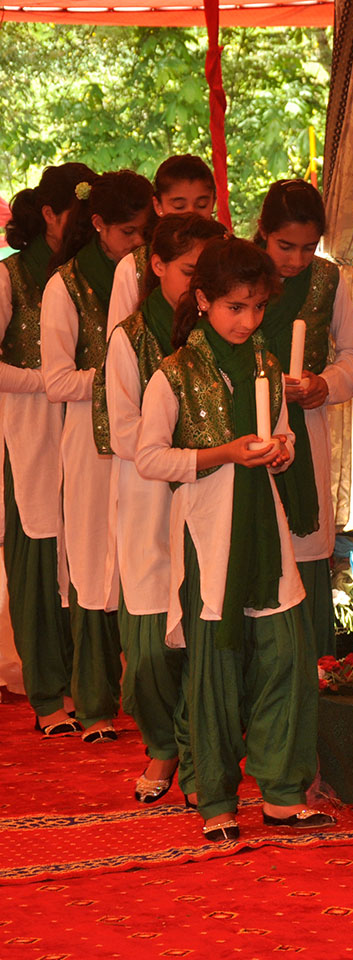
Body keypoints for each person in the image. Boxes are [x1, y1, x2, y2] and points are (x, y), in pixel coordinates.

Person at [135, 237, 335, 842]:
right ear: (203, 301)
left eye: (257, 307)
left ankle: (281, 793)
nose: (248, 321)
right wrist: (221, 454)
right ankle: (216, 798)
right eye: (234, 307)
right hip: (209, 534)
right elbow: (149, 457)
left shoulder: (268, 365)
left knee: (284, 657)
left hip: (266, 529)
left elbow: (282, 435)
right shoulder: (174, 373)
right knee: (215, 666)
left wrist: (281, 452)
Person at [106, 213, 228, 803]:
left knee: (206, 638)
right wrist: (194, 451)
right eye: (188, 271)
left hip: (214, 500)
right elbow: (122, 431)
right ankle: (162, 743)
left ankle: (202, 757)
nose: (197, 284)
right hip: (150, 498)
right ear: (156, 266)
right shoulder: (129, 338)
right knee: (152, 647)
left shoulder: (225, 333)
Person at [41, 169, 153, 743]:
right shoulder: (65, 286)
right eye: (128, 232)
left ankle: (146, 695)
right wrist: (120, 378)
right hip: (89, 440)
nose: (138, 243)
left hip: (148, 435)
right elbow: (57, 381)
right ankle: (94, 703)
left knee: (142, 554)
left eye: (145, 231)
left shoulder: (156, 274)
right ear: (98, 225)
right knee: (91, 562)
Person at [254, 179, 353, 660]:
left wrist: (325, 383)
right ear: (262, 232)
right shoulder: (239, 272)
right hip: (241, 430)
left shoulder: (330, 279)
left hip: (307, 427)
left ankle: (308, 671)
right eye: (285, 246)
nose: (297, 260)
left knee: (303, 546)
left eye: (309, 247)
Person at [0, 163, 91, 737]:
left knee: (83, 553)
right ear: (51, 214)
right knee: (37, 556)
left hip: (84, 425)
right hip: (29, 428)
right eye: (79, 216)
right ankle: (46, 693)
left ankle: (86, 683)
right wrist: (51, 380)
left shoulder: (93, 274)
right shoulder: (11, 276)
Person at [107, 155, 217, 330]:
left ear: (213, 202)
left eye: (202, 205)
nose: (191, 213)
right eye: (179, 206)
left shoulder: (227, 256)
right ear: (158, 206)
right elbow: (120, 337)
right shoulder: (132, 267)